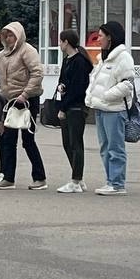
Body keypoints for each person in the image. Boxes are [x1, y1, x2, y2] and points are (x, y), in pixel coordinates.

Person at [0, 22, 46, 190]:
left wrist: (25, 94)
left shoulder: (27, 51)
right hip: (11, 100)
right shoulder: (3, 54)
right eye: (6, 35)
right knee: (8, 140)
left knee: (28, 140)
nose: (8, 38)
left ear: (18, 36)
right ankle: (8, 177)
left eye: (11, 35)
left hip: (27, 100)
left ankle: (40, 177)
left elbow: (37, 73)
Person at [85, 21, 135, 195]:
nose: (98, 39)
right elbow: (94, 80)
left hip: (114, 110)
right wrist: (91, 97)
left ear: (110, 37)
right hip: (101, 108)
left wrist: (106, 95)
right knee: (105, 147)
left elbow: (127, 84)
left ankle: (117, 183)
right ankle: (110, 181)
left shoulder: (123, 57)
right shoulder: (103, 58)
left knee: (115, 148)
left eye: (101, 36)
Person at [56, 28, 93, 194]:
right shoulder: (67, 60)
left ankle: (75, 180)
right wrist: (61, 87)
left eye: (60, 41)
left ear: (66, 42)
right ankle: (78, 177)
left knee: (76, 143)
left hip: (76, 107)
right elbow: (64, 80)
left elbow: (78, 88)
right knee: (67, 143)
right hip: (66, 104)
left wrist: (63, 107)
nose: (59, 44)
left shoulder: (80, 61)